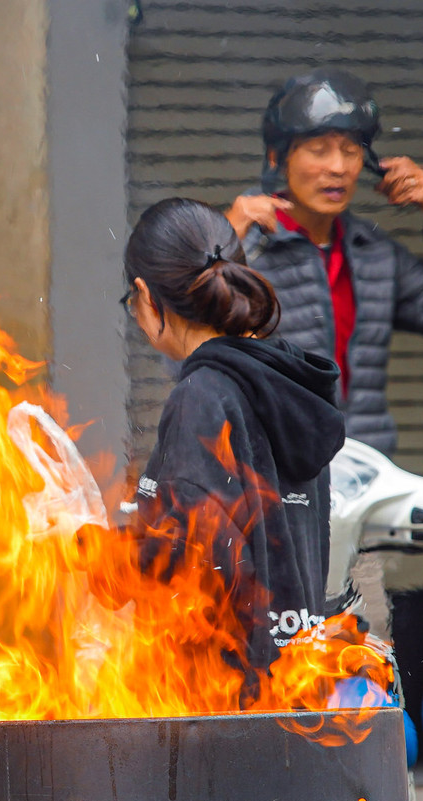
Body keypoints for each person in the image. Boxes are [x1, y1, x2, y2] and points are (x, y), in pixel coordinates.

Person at [125, 197, 347, 687]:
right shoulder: (284, 387)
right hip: (294, 687)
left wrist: (86, 547)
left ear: (144, 294)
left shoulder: (201, 397)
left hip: (220, 707)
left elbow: (183, 561)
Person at [224, 67, 423, 456]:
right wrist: (220, 245)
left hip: (365, 473)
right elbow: (184, 348)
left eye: (350, 150)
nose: (337, 167)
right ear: (277, 158)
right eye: (318, 149)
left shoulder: (373, 252)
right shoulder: (246, 247)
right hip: (276, 473)